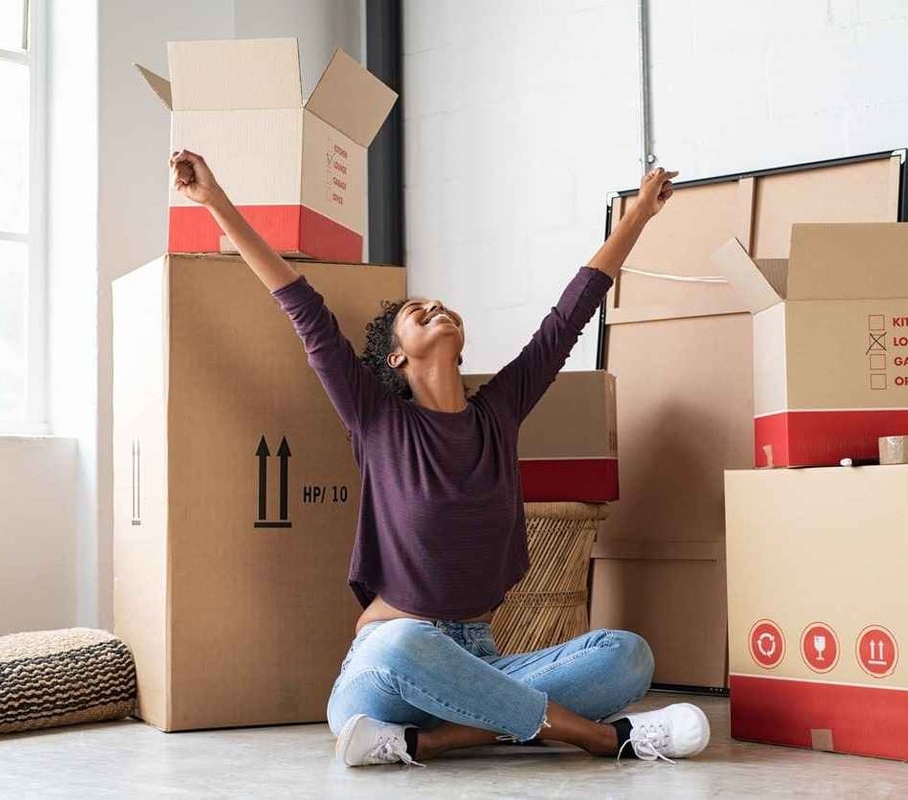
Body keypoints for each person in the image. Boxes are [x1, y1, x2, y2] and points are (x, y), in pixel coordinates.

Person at [169, 150, 709, 767]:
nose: (434, 308)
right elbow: (303, 308)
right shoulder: (378, 420)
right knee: (403, 645)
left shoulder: (498, 413)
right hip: (386, 672)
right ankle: (600, 738)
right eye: (414, 313)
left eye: (440, 306)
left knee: (628, 655)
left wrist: (638, 215)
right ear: (395, 358)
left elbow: (570, 316)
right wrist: (214, 201)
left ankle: (437, 740)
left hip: (480, 659)